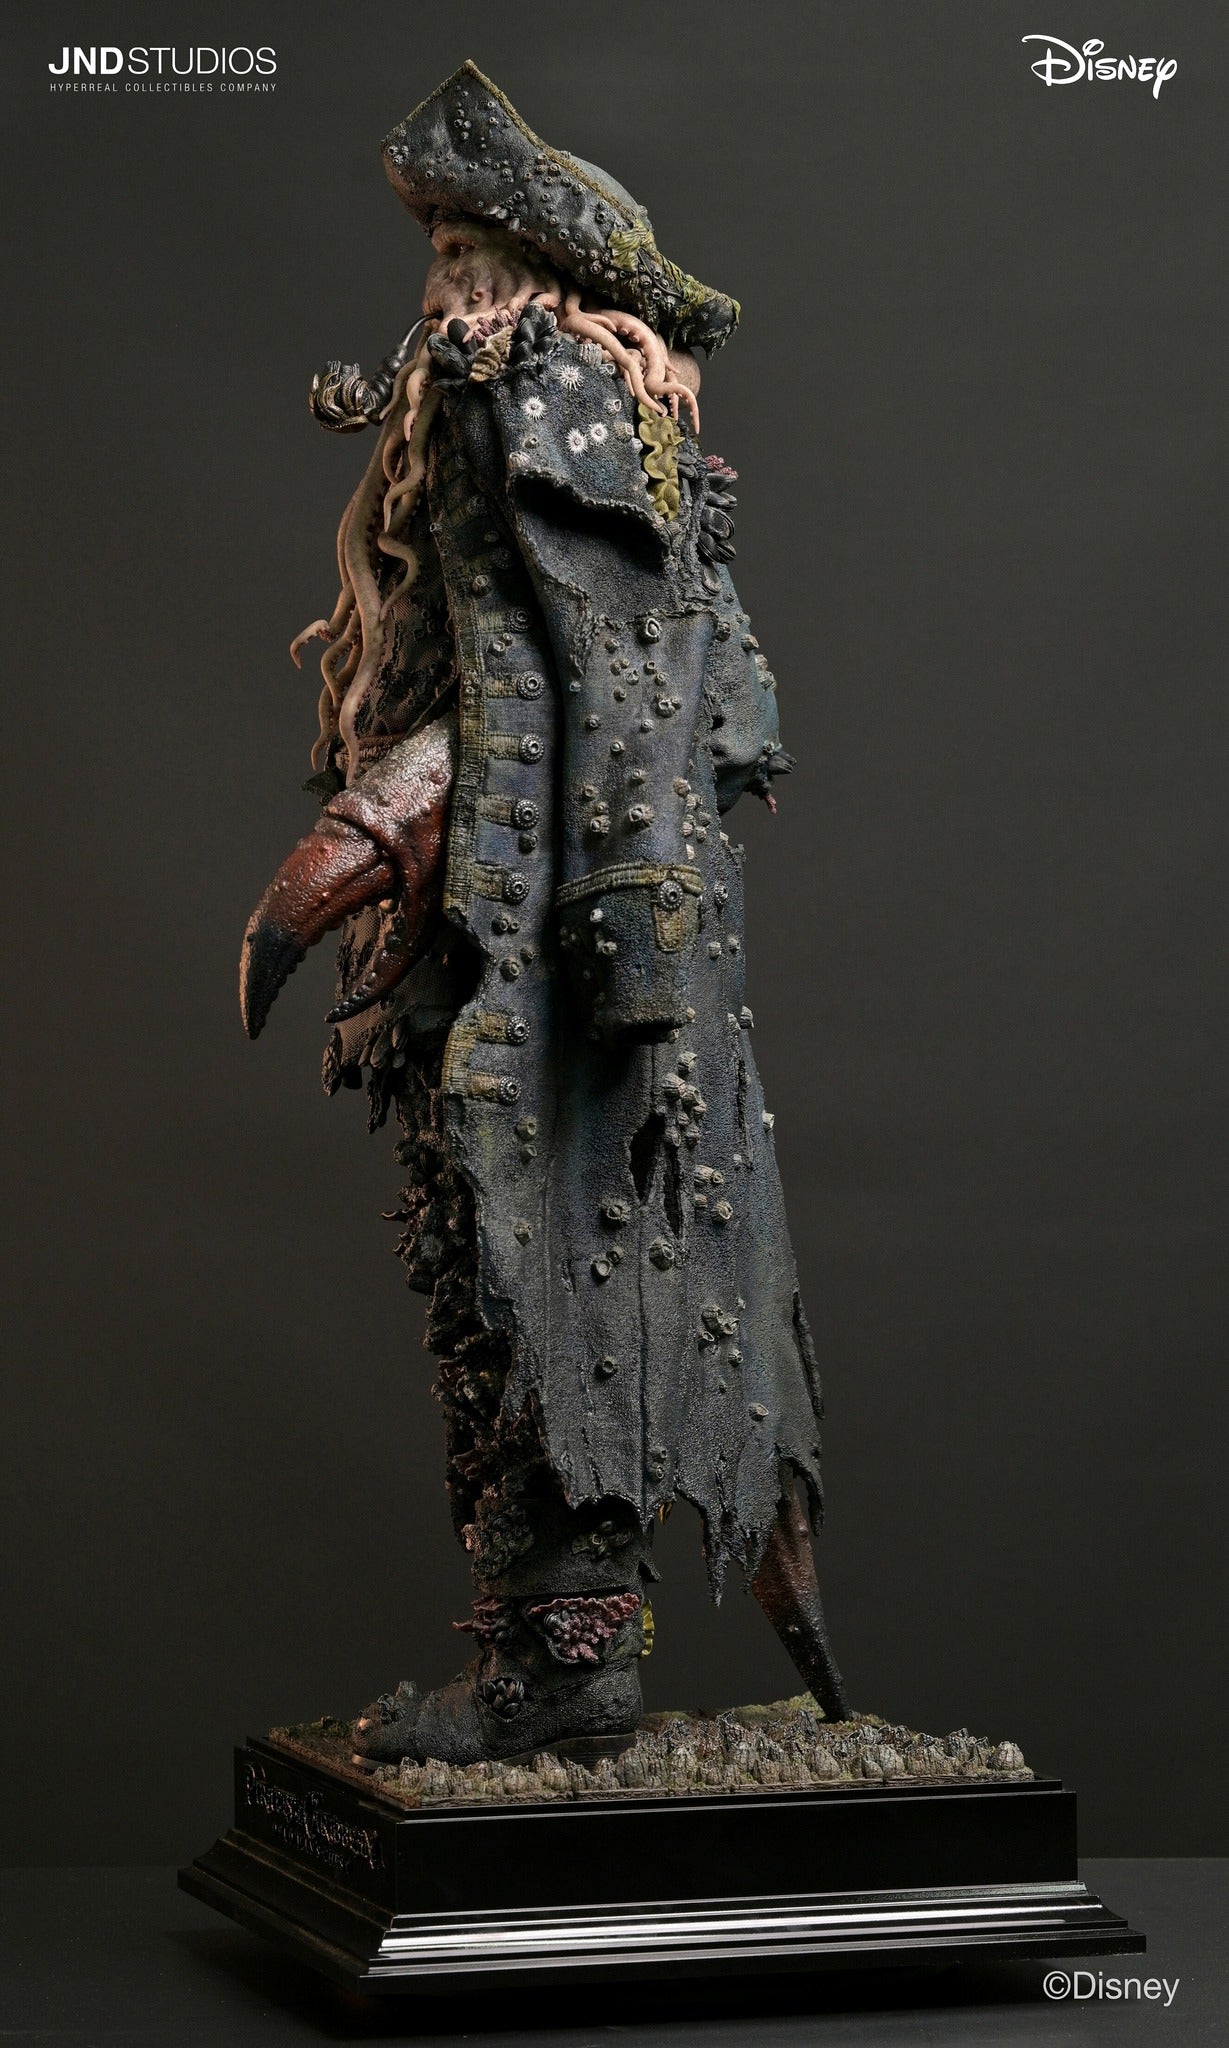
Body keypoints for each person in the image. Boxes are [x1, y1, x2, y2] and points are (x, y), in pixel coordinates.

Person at [240, 62, 846, 1767]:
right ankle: (554, 1654)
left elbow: (617, 666)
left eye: (462, 246)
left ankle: (560, 1673)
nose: (438, 278)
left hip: (553, 923)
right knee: (508, 1258)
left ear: (538, 264)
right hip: (511, 905)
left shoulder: (546, 388)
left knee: (545, 1254)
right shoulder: (525, 391)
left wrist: (590, 922)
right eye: (433, 247)